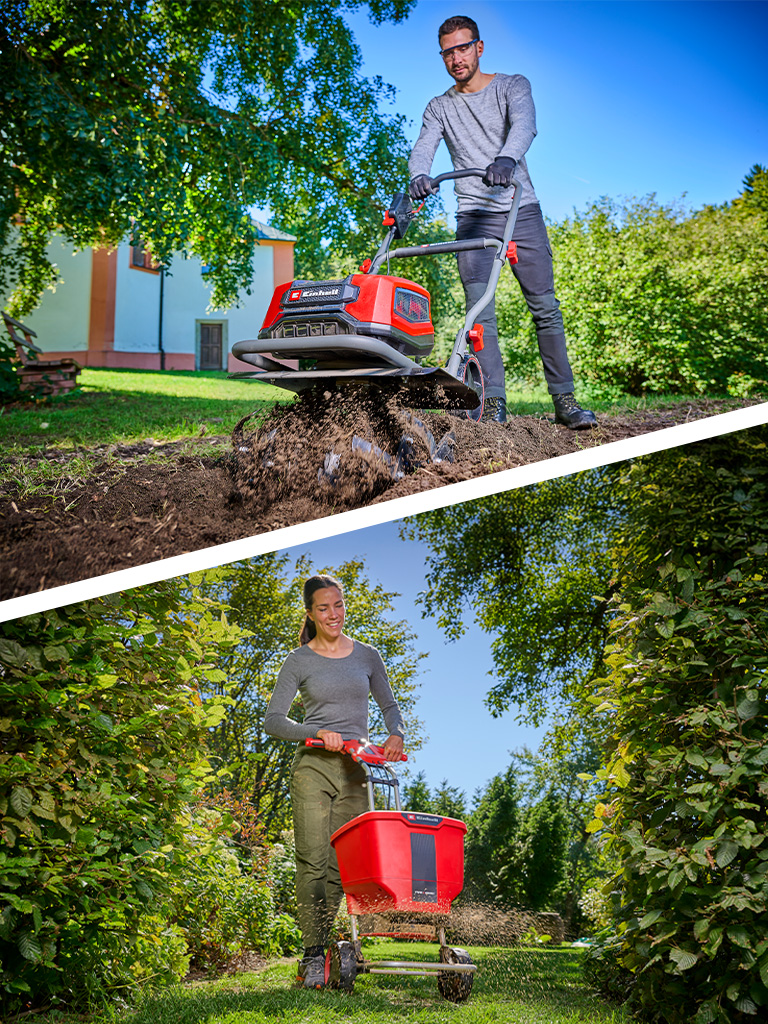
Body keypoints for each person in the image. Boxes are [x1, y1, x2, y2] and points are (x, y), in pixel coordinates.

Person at [408, 14, 597, 429]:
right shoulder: (439, 106)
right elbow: (424, 146)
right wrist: (419, 175)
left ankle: (565, 401)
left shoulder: (513, 85)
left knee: (545, 307)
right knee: (479, 314)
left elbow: (525, 125)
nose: (456, 58)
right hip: (473, 218)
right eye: (447, 52)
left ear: (479, 47)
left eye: (463, 48)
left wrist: (507, 158)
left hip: (519, 209)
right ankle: (493, 403)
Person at [264, 574, 405, 990]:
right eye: (323, 608)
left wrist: (396, 733)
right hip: (314, 767)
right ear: (310, 613)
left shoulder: (368, 656)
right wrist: (315, 732)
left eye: (339, 605)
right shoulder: (298, 660)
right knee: (312, 859)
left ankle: (323, 946)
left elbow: (389, 705)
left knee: (341, 867)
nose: (333, 614)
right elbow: (274, 721)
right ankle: (312, 954)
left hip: (356, 772)